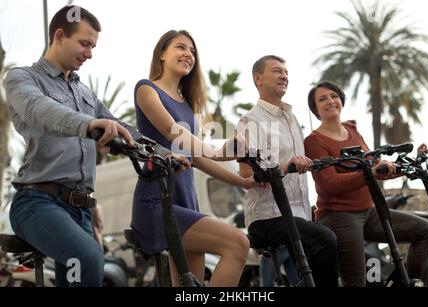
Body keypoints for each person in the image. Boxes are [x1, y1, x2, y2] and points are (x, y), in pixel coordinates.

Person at [4, 5, 174, 287]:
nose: (90, 53)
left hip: (80, 209)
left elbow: (123, 127)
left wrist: (164, 152)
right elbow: (38, 109)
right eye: (84, 43)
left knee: (78, 276)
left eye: (93, 46)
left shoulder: (85, 93)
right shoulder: (23, 78)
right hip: (37, 204)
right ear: (59, 36)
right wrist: (88, 124)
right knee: (86, 258)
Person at [131, 30, 258, 287]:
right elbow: (171, 131)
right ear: (162, 54)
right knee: (238, 243)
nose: (188, 54)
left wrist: (242, 182)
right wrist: (220, 151)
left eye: (192, 51)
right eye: (180, 47)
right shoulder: (147, 89)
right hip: (159, 200)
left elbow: (197, 158)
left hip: (187, 202)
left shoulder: (187, 107)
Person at [304, 80, 428, 287]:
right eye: (322, 99)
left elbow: (373, 166)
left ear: (341, 100)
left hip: (370, 211)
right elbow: (330, 183)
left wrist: (400, 166)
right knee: (356, 282)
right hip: (339, 216)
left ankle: (412, 283)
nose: (330, 101)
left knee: (425, 230)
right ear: (315, 109)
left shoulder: (351, 130)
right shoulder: (313, 141)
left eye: (334, 96)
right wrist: (371, 173)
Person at [237, 55, 339, 287]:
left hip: (298, 214)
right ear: (258, 79)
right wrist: (284, 167)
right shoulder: (250, 120)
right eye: (276, 71)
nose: (284, 76)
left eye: (286, 72)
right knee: (326, 241)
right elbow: (245, 174)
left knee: (317, 268)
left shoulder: (291, 118)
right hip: (268, 216)